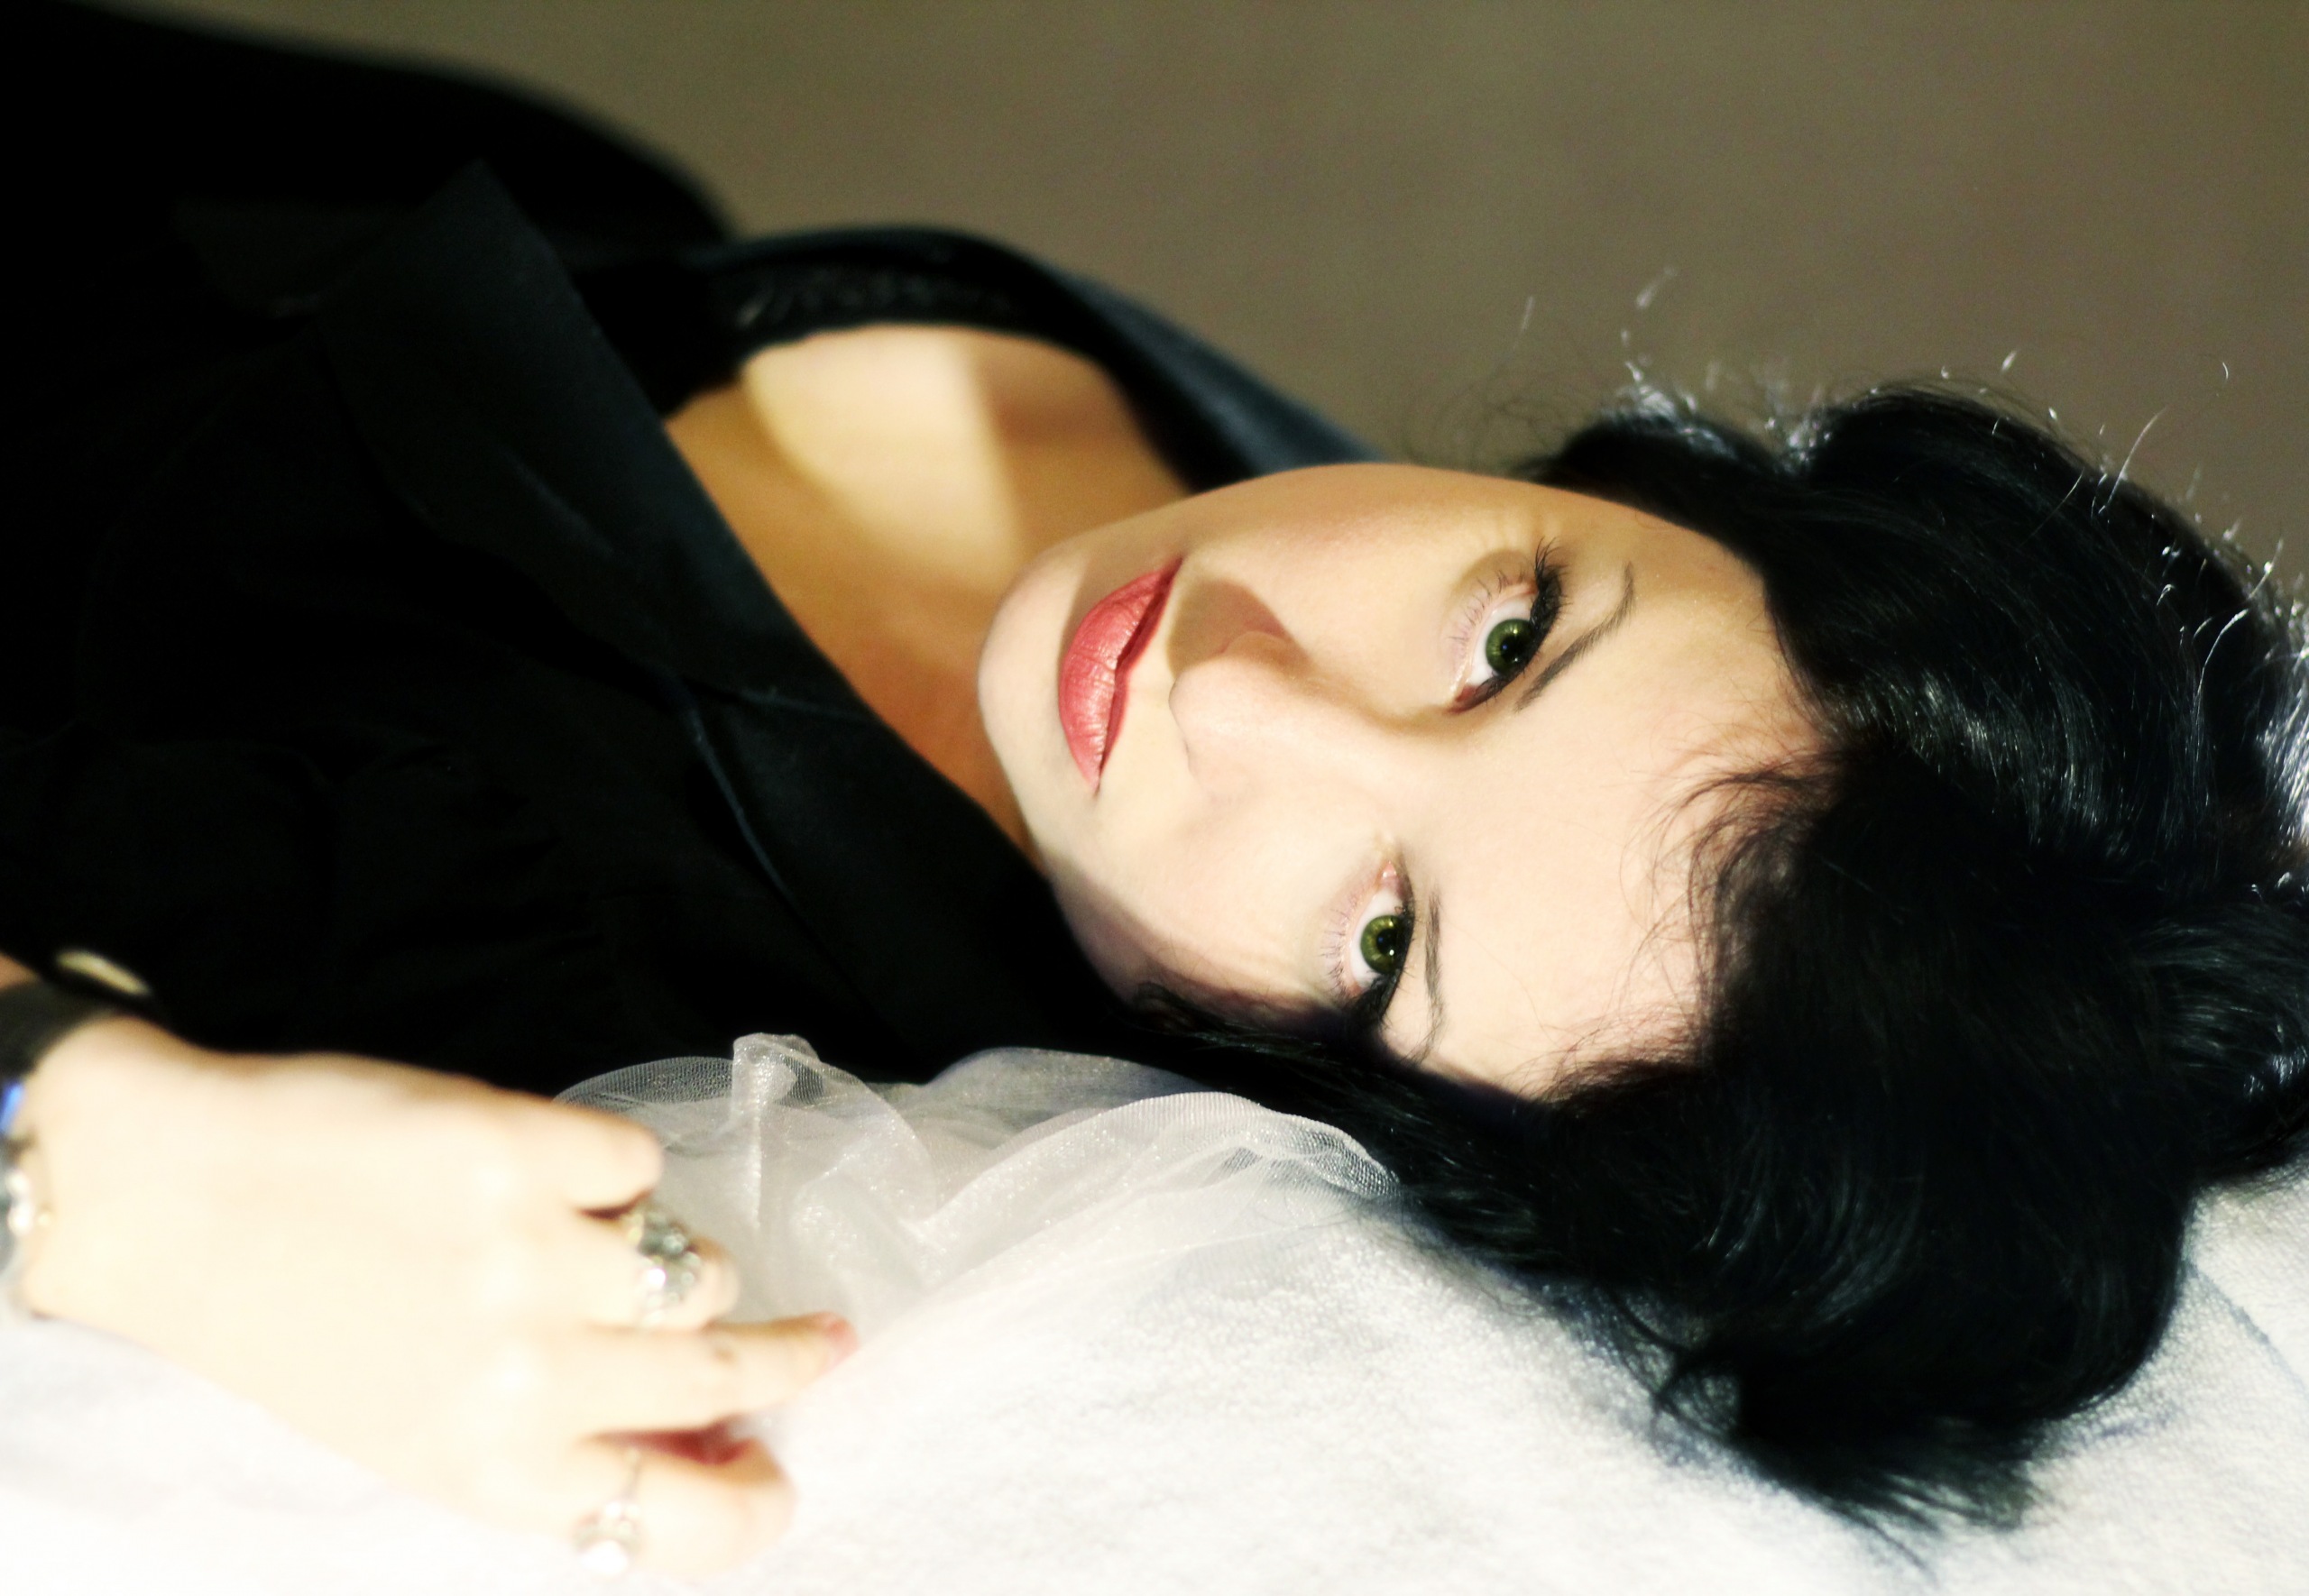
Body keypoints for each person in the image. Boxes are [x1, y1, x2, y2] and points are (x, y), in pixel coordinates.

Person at [5, 0, 2305, 1574]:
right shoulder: (1241, 485)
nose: (1231, 691)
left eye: (1377, 936)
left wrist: (77, 1147)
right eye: (1509, 638)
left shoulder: (584, 949)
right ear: (1665, 494)